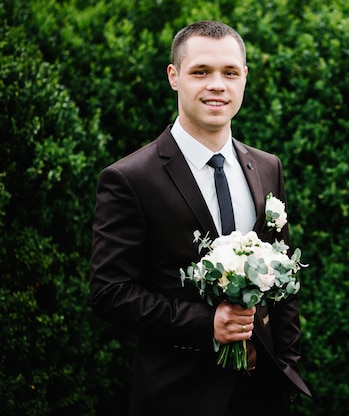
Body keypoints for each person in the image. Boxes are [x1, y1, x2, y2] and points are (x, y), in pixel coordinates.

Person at [90, 20, 311, 416]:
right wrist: (204, 323)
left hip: (262, 396)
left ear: (244, 77)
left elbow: (285, 281)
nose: (217, 85)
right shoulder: (130, 178)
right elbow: (111, 292)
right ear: (174, 77)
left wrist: (287, 366)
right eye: (200, 72)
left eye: (229, 72)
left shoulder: (267, 166)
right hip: (178, 394)